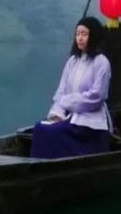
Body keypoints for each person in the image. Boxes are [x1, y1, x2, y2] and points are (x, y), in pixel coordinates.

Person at [30, 16, 112, 159]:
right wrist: (57, 115)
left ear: (93, 36)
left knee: (54, 132)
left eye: (84, 34)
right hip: (69, 117)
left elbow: (97, 96)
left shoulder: (101, 62)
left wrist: (68, 102)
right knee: (40, 128)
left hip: (90, 122)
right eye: (77, 34)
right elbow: (61, 92)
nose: (80, 38)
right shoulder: (72, 62)